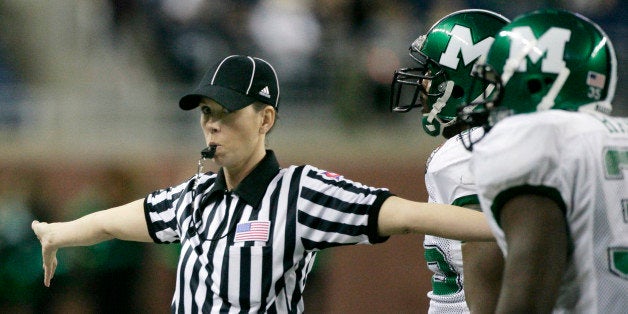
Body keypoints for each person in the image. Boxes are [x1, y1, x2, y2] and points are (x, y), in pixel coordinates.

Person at [31, 54, 494, 313]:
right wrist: (58, 233)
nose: (212, 126)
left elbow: (408, 215)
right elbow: (117, 222)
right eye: (207, 114)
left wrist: (508, 226)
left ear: (265, 118)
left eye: (227, 113)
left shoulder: (301, 194)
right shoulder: (194, 197)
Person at [456, 9, 628, 313]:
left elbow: (526, 302)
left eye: (497, 85)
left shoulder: (537, 140)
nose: (489, 99)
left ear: (535, 83)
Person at [390, 9, 507, 313]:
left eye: (434, 72)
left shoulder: (467, 154)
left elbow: (488, 254)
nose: (424, 84)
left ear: (469, 81)